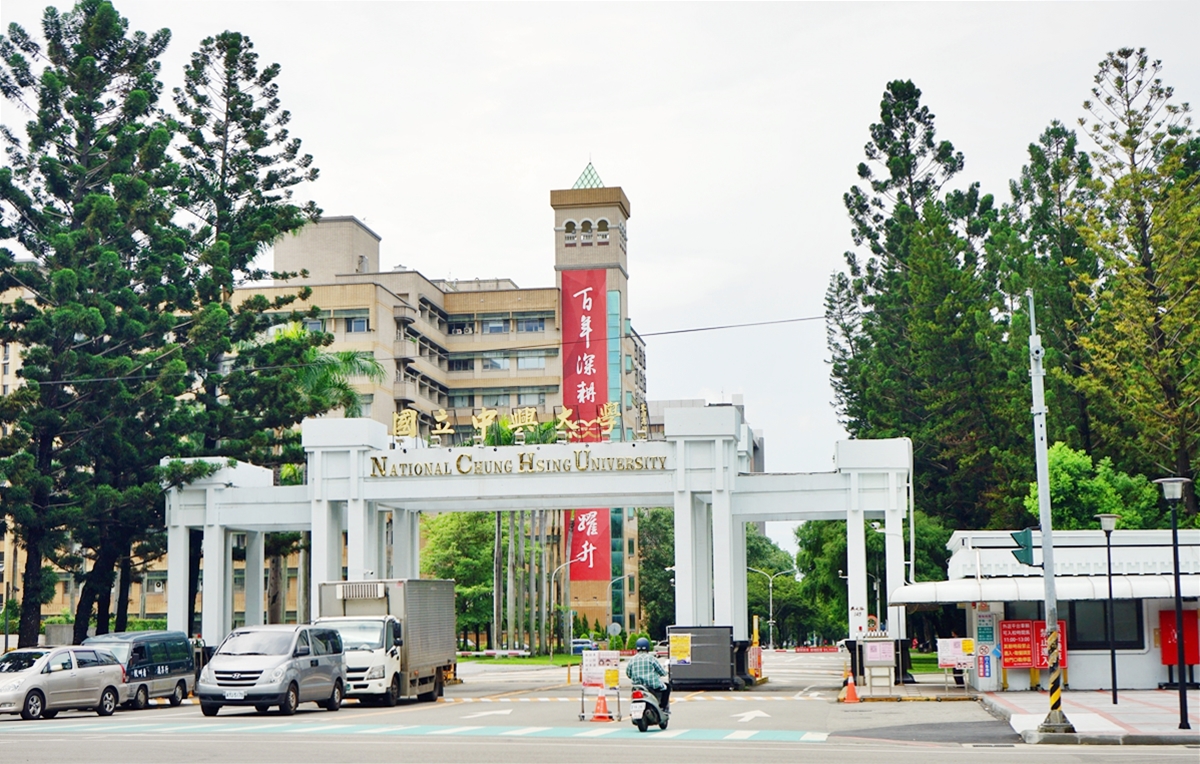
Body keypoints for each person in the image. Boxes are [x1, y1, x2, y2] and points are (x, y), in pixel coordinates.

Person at [626, 637, 670, 711]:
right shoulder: (651, 658)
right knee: (667, 687)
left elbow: (628, 674)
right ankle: (663, 708)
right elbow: (661, 672)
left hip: (637, 687)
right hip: (651, 687)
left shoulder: (632, 659)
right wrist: (665, 672)